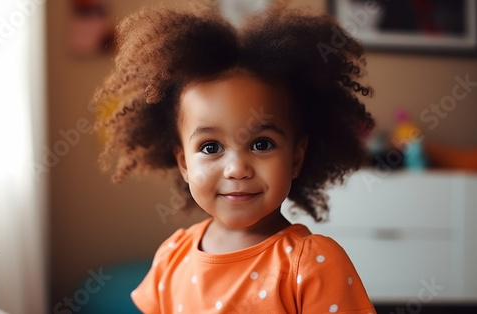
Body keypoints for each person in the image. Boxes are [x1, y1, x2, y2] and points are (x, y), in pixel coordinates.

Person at [92, 0, 376, 313]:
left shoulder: (311, 264)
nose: (237, 169)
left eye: (262, 144)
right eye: (211, 147)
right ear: (184, 162)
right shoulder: (172, 256)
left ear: (296, 158)